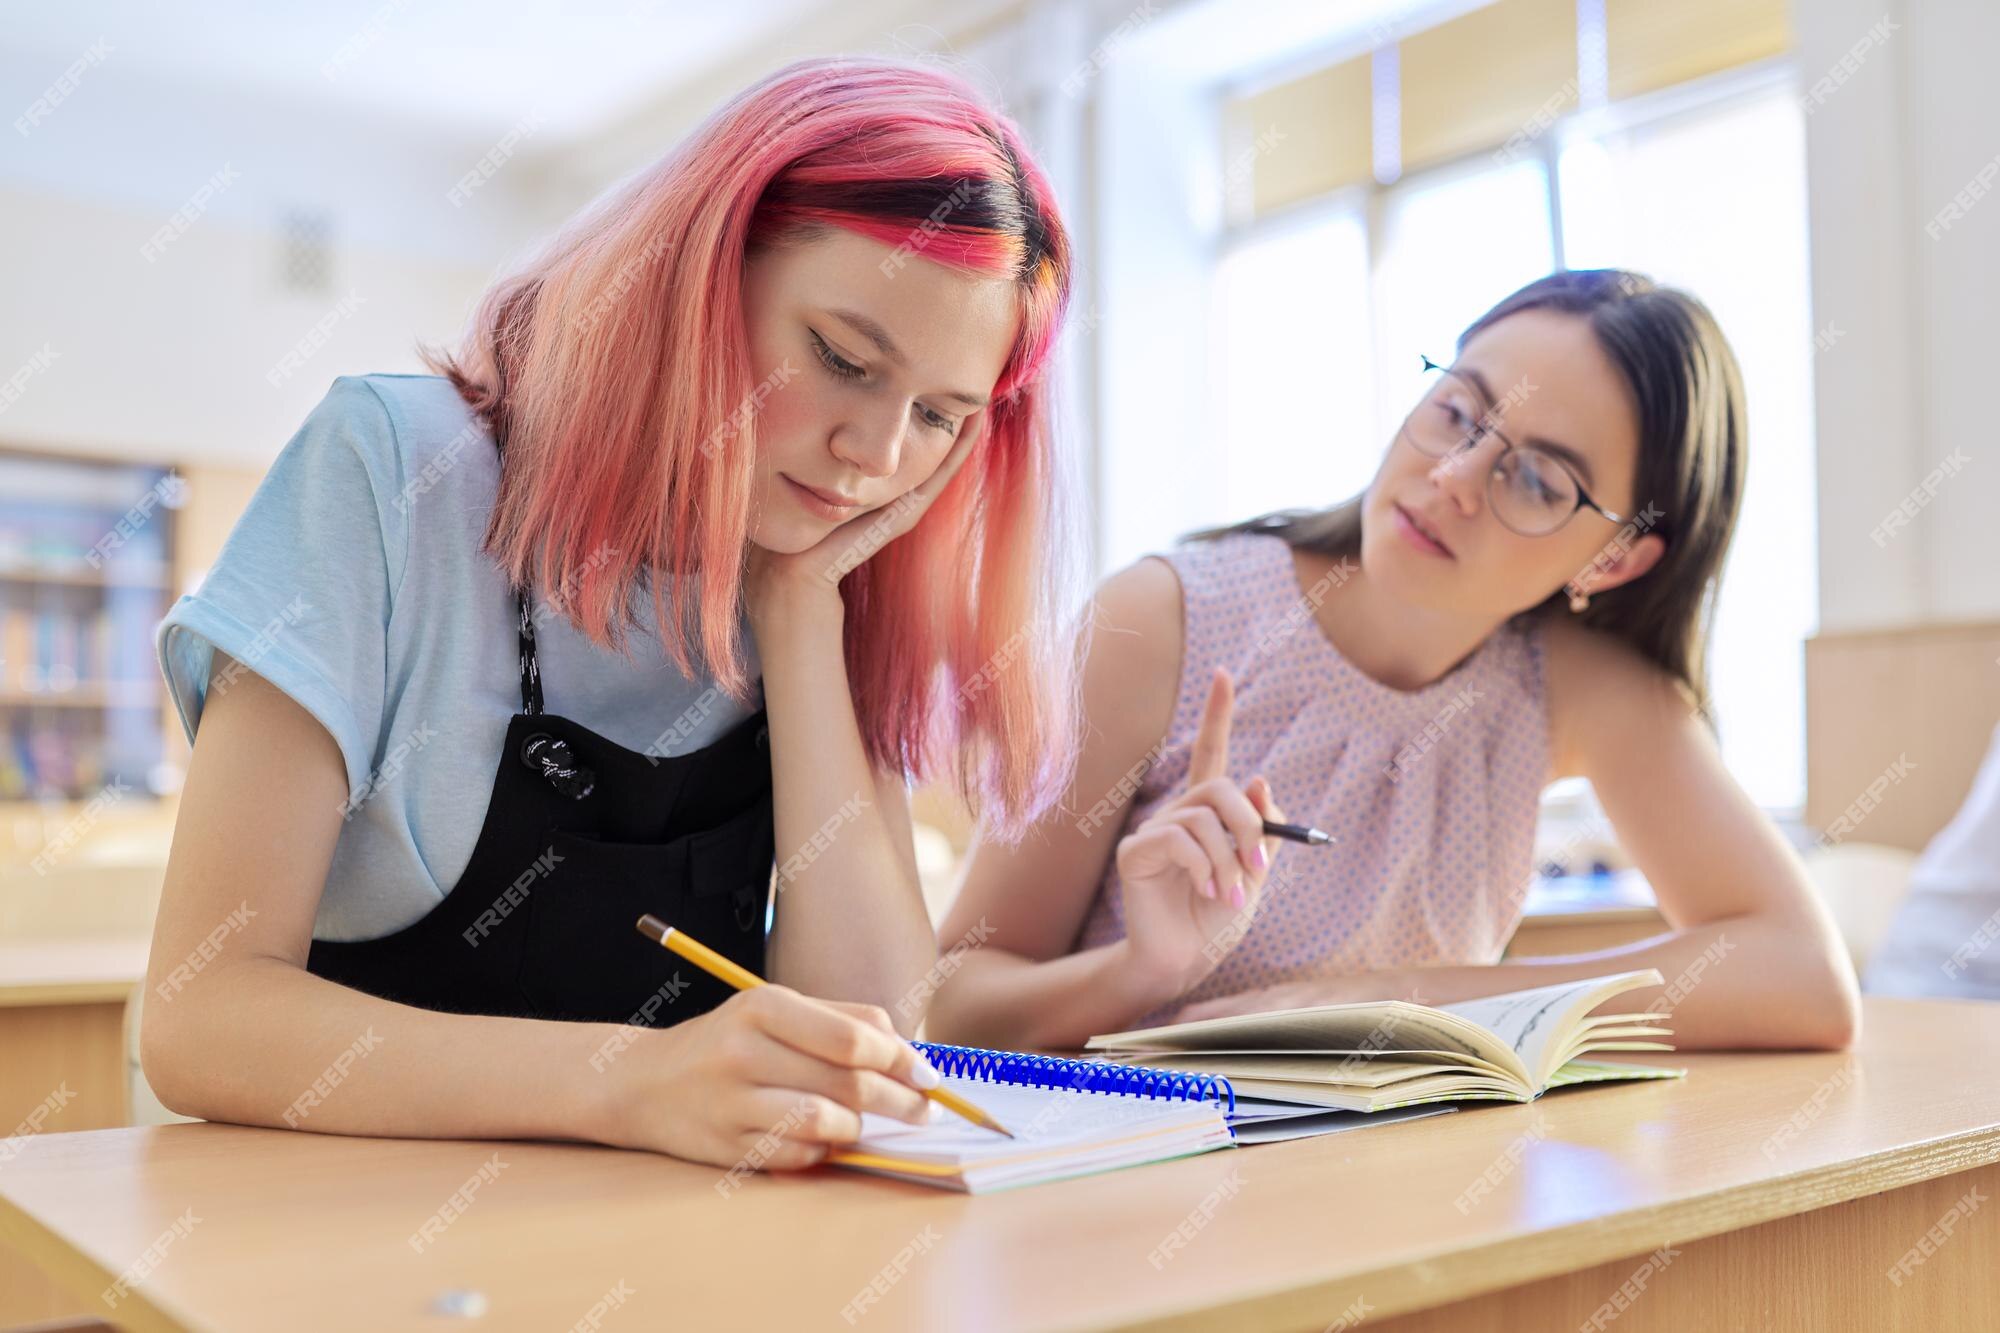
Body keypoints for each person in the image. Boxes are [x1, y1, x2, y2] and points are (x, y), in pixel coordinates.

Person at [140, 56, 1081, 1172]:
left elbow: (868, 1037)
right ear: (697, 277)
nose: (874, 456)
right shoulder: (392, 469)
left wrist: (797, 614)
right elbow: (199, 1021)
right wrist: (629, 1081)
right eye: (839, 358)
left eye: (938, 413)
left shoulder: (816, 571)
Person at [928, 270, 1861, 1052]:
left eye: (1538, 479)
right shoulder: (1164, 619)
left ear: (1612, 559)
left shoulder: (1569, 686)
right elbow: (950, 999)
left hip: (1401, 1205)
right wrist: (1140, 973)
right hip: (1127, 1204)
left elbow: (1805, 977)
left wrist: (1412, 997)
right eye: (1459, 411)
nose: (1453, 480)